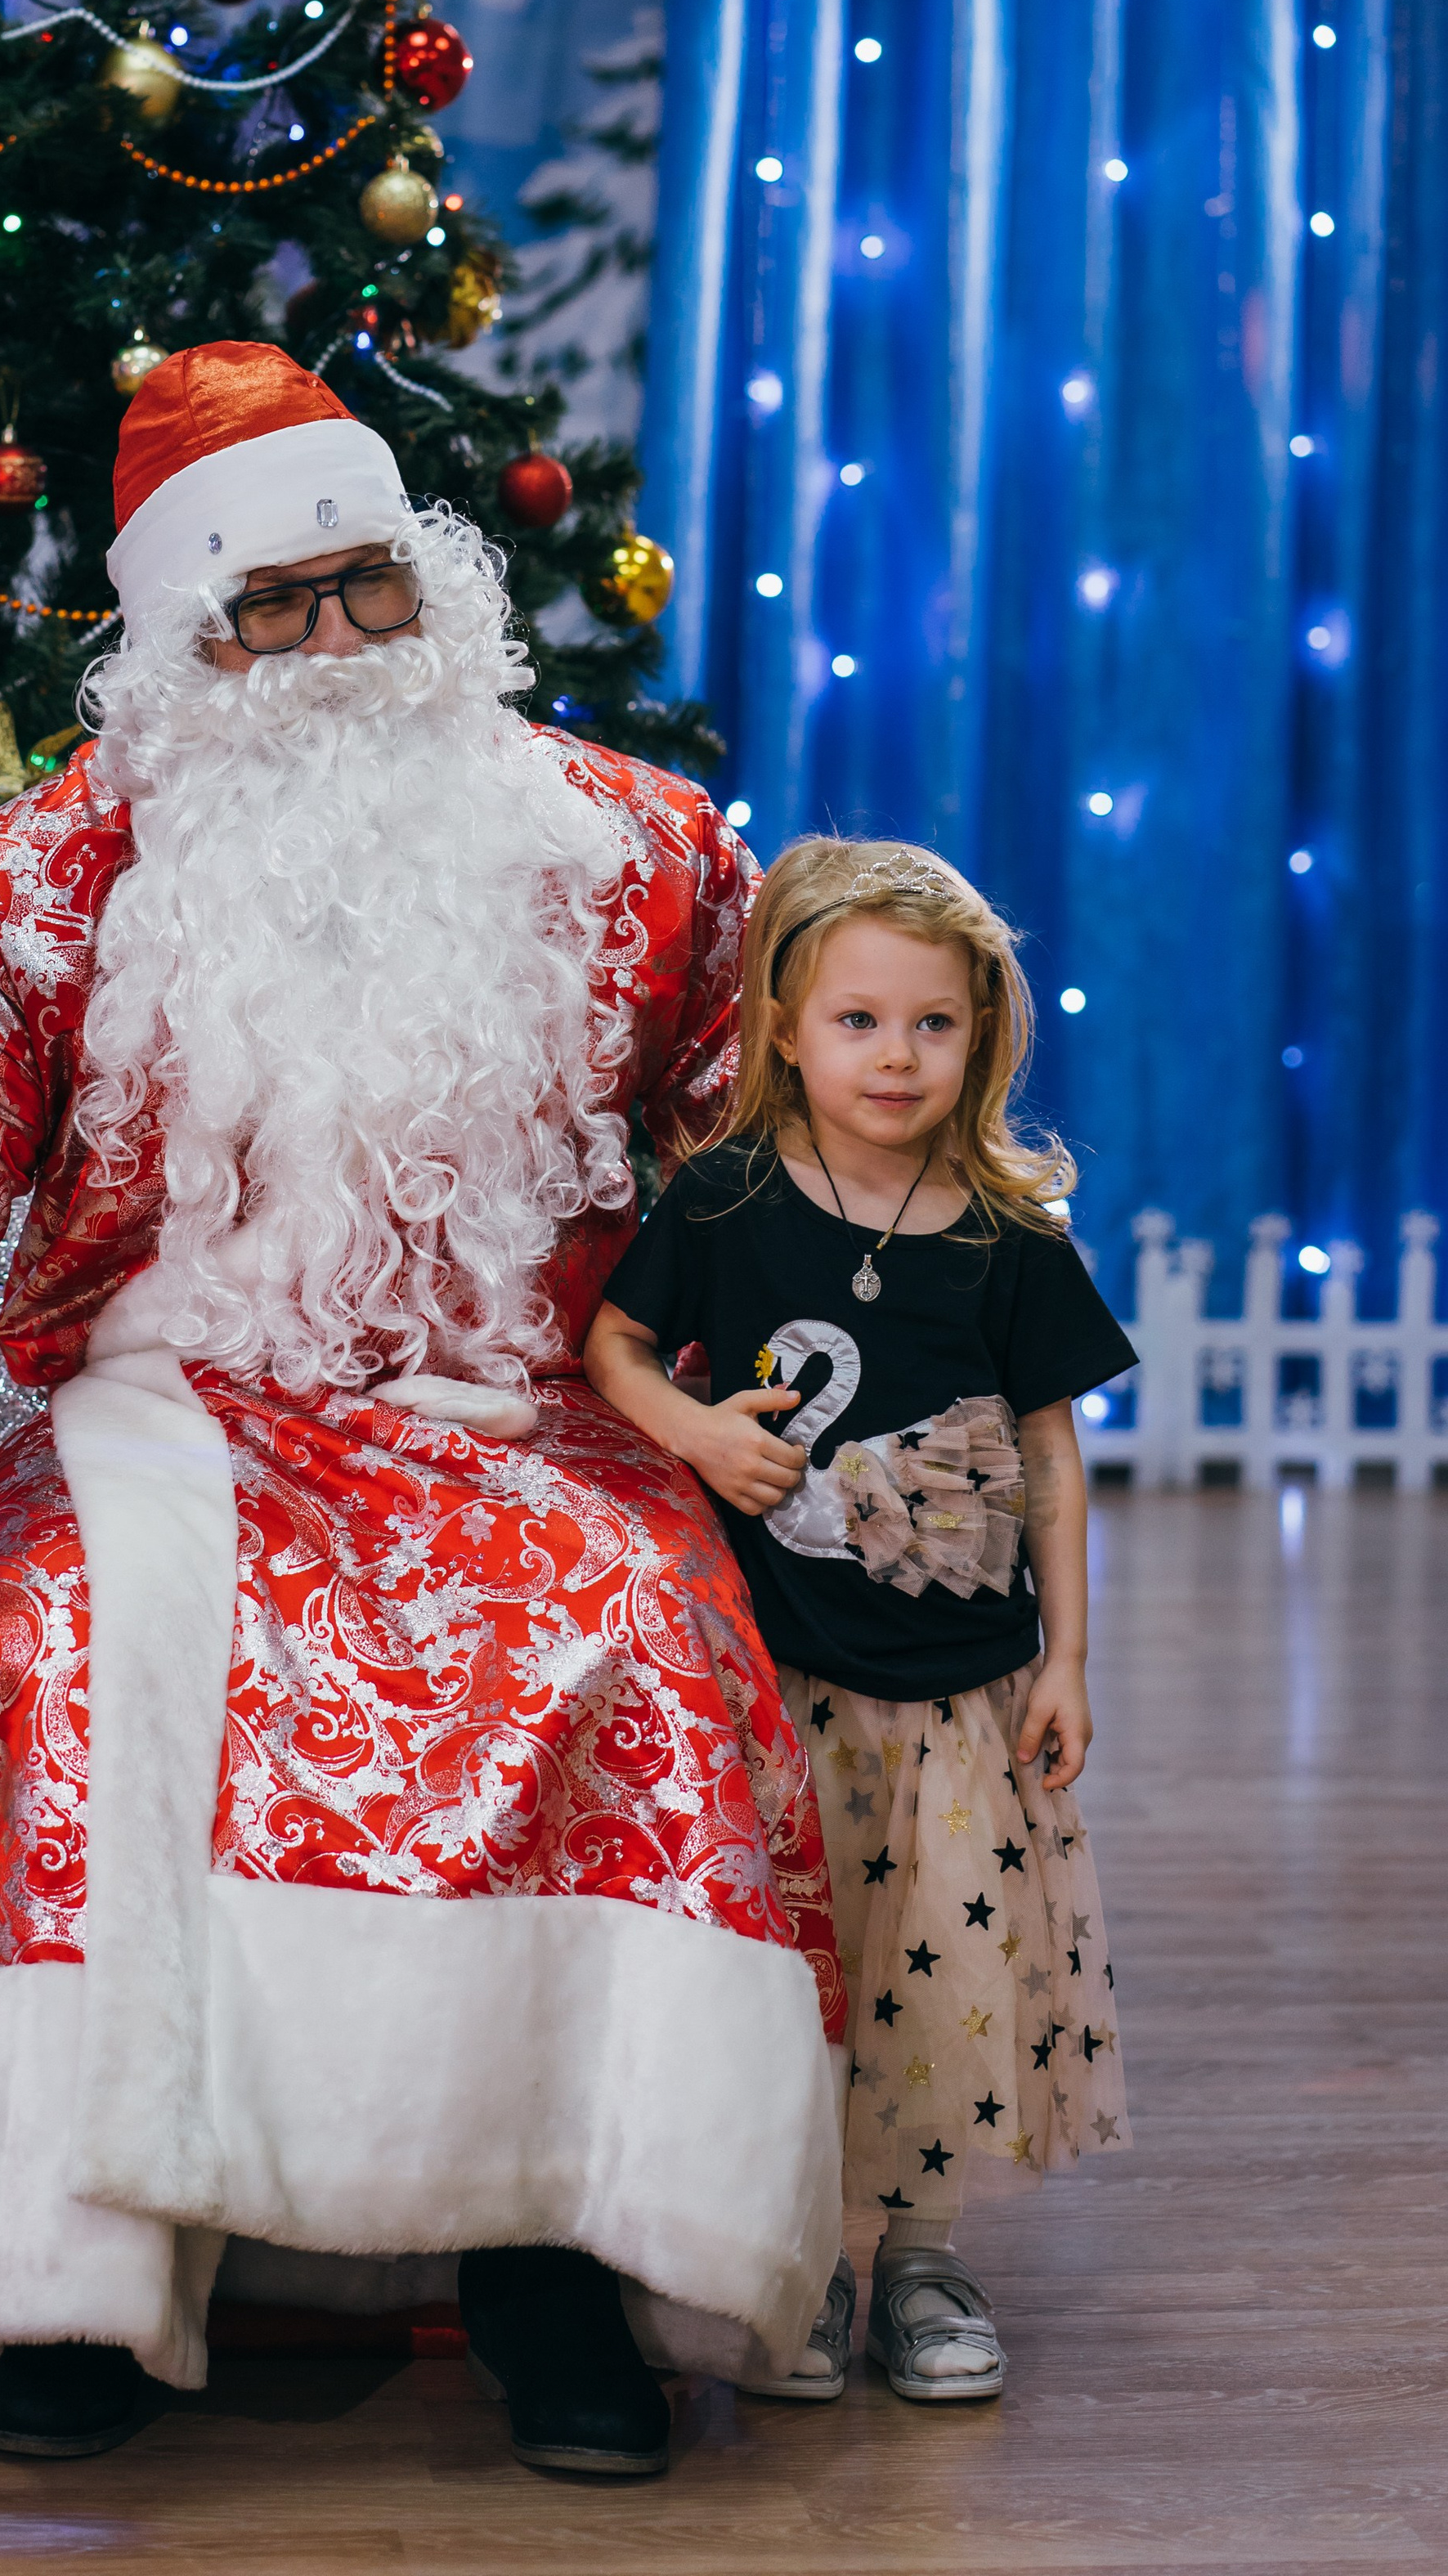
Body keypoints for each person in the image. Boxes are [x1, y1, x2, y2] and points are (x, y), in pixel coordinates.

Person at [0, 341, 845, 2479]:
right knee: (61, 1646)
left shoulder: (631, 844)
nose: (330, 643)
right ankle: (93, 2270)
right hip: (167, 1415)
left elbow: (762, 1134)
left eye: (364, 583)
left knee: (642, 1635)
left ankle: (562, 2259)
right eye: (268, 603)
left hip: (527, 1417)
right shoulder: (56, 866)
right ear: (179, 635)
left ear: (434, 582)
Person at [584, 835, 1133, 2405]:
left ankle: (923, 2260)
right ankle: (808, 2251)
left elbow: (1048, 1456)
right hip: (782, 1683)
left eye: (933, 1025)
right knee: (803, 1970)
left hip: (961, 1695)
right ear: (787, 1029)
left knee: (938, 1978)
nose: (896, 1057)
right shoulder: (730, 1198)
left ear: (983, 1037)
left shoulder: (1008, 1232)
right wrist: (697, 1435)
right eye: (859, 1021)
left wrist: (1067, 1659)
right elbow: (618, 1348)